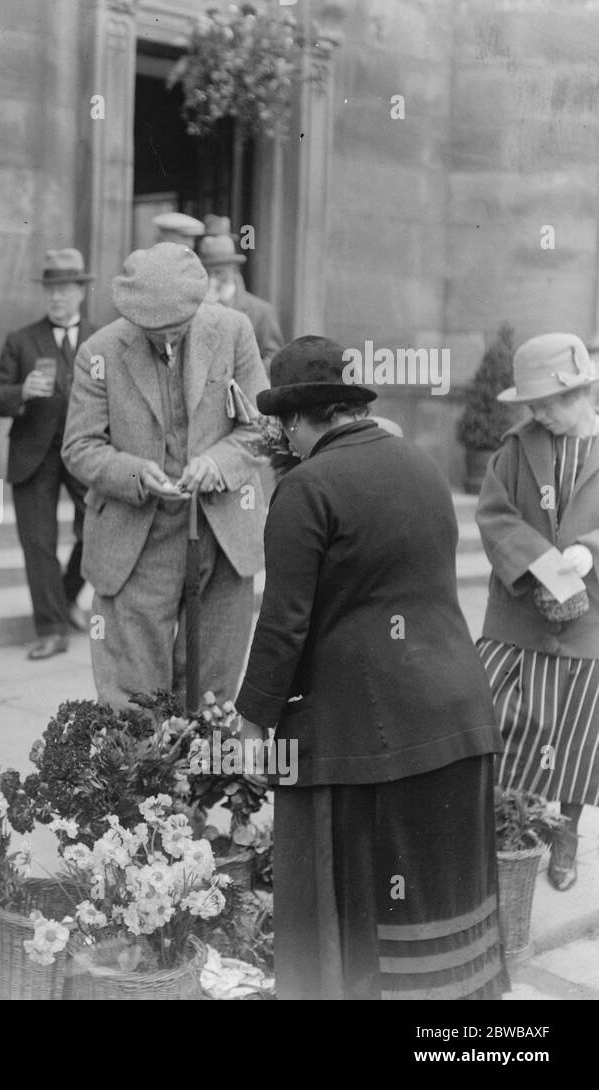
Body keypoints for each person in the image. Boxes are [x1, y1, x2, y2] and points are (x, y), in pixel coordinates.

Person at [235, 336, 508, 1001]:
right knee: (443, 912)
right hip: (457, 716)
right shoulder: (420, 464)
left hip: (366, 737)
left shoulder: (305, 487)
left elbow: (283, 623)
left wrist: (251, 725)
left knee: (355, 938)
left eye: (284, 427)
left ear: (297, 420)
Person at [62, 243, 267, 707]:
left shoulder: (234, 332)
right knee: (134, 697)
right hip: (136, 541)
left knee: (211, 693)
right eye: (152, 331)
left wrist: (216, 463)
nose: (166, 341)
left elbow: (262, 431)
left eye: (176, 329)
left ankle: (202, 778)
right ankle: (143, 778)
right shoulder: (99, 352)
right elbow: (79, 447)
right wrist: (133, 473)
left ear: (197, 307)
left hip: (223, 536)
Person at [475, 332, 599, 892]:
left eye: (549, 402)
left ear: (583, 391)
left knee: (578, 734)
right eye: (532, 404)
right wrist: (544, 562)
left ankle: (565, 833)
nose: (539, 413)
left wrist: (589, 550)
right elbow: (495, 517)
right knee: (504, 722)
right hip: (519, 616)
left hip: (589, 621)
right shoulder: (514, 448)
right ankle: (507, 831)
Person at [0, 249, 97, 660]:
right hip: (33, 455)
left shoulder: (103, 340)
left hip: (86, 453)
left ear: (81, 291)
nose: (57, 298)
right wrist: (20, 392)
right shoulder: (22, 340)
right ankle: (50, 629)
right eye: (51, 289)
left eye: (65, 289)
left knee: (98, 532)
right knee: (38, 543)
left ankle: (64, 598)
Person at [198, 215, 284, 366]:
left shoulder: (261, 311)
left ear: (233, 269)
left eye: (219, 272)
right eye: (207, 273)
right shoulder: (195, 308)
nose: (213, 280)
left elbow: (275, 361)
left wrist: (246, 374)